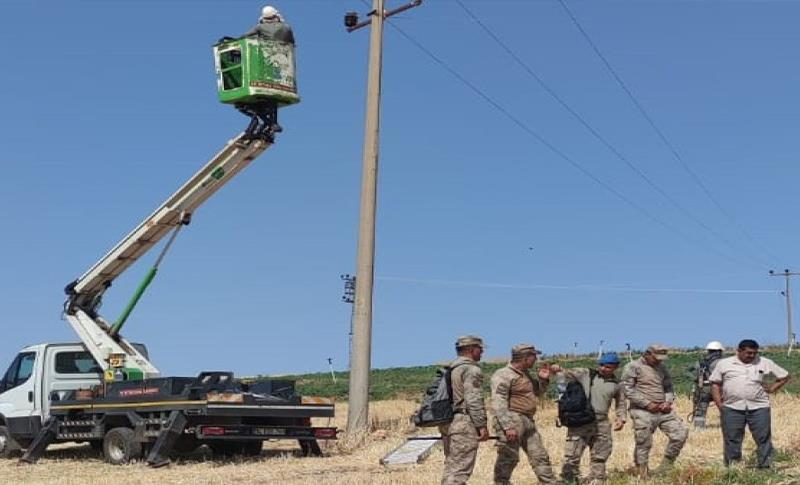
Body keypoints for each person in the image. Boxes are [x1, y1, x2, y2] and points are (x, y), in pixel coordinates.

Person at [709, 339, 791, 468]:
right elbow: (715, 384)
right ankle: (733, 468)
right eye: (748, 353)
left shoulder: (764, 362)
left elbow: (784, 376)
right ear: (739, 351)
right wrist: (720, 405)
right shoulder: (724, 364)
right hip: (732, 407)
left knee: (763, 438)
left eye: (754, 353)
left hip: (759, 407)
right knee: (732, 439)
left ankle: (765, 467)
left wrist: (772, 388)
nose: (752, 356)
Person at [491, 344, 560, 485]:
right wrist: (507, 426)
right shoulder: (503, 375)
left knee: (539, 456)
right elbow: (499, 403)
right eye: (534, 356)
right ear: (525, 358)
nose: (536, 359)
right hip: (512, 418)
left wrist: (543, 380)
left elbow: (538, 394)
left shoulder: (526, 374)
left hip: (528, 420)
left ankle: (549, 482)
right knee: (508, 457)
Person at [558, 352, 627, 484]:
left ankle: (597, 479)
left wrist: (621, 418)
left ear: (615, 367)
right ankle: (568, 480)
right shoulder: (586, 374)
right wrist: (558, 369)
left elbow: (621, 403)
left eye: (607, 367)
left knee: (600, 454)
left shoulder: (617, 385)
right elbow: (566, 373)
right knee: (572, 454)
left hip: (602, 422)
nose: (603, 368)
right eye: (601, 365)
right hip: (581, 420)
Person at [621, 343, 688, 478]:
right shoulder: (633, 367)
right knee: (644, 441)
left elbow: (668, 387)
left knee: (680, 433)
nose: (659, 360)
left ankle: (666, 466)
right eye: (656, 357)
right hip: (642, 410)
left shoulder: (662, 368)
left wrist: (668, 402)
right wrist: (646, 404)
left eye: (661, 358)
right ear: (647, 354)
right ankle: (642, 471)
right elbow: (627, 389)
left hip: (663, 410)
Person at [439, 335, 489, 485]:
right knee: (459, 472)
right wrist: (481, 425)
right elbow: (474, 399)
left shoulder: (450, 369)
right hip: (463, 423)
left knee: (452, 468)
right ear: (472, 350)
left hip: (447, 421)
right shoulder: (471, 370)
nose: (482, 353)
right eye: (480, 349)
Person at [687, 340, 725, 428]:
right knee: (725, 408)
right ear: (719, 351)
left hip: (702, 388)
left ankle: (698, 429)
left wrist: (695, 379)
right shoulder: (723, 362)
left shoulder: (701, 362)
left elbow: (687, 370)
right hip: (718, 388)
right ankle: (728, 427)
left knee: (700, 409)